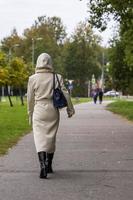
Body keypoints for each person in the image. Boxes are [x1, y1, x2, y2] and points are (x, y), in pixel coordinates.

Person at [27, 53, 75, 179]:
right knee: (51, 137)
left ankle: (42, 165)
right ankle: (49, 165)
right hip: (53, 110)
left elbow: (30, 99)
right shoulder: (57, 77)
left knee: (39, 138)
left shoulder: (33, 78)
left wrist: (30, 113)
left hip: (39, 110)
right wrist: (70, 109)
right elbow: (66, 93)